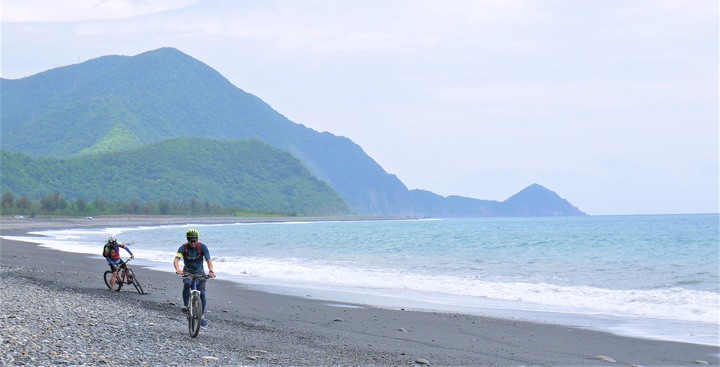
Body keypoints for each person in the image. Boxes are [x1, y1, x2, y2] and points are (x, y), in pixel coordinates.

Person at [173, 228, 215, 328]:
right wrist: (178, 269)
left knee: (203, 294)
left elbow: (208, 260)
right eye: (191, 241)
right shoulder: (183, 248)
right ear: (188, 240)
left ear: (197, 239)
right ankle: (185, 305)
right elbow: (176, 260)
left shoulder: (202, 247)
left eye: (195, 241)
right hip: (188, 272)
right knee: (187, 283)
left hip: (200, 273)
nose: (193, 243)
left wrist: (211, 271)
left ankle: (202, 316)